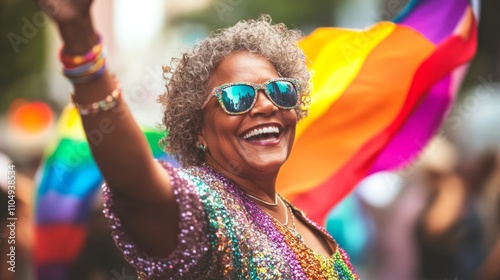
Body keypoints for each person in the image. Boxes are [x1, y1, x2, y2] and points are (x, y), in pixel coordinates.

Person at [37, 0, 358, 279]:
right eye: (237, 97)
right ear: (198, 129)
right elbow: (134, 186)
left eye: (280, 91)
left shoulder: (298, 218)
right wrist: (80, 42)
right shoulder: (207, 210)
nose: (265, 105)